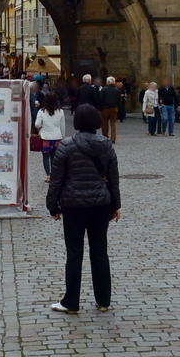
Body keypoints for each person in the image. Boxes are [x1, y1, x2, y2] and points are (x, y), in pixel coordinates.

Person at [46, 103, 120, 314]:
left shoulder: (66, 146)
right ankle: (103, 299)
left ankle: (71, 302)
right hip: (100, 204)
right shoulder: (106, 145)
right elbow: (113, 179)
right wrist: (116, 205)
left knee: (74, 253)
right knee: (99, 252)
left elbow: (56, 180)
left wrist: (52, 206)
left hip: (73, 205)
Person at [35, 91, 66, 181]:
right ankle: (53, 174)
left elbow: (37, 124)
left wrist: (40, 129)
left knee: (45, 157)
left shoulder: (41, 111)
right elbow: (62, 126)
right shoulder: (60, 112)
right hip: (57, 137)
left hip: (45, 137)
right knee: (54, 157)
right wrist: (62, 136)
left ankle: (48, 175)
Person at [99, 76, 122, 141]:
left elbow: (101, 99)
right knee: (113, 123)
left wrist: (100, 108)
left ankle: (105, 136)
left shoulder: (104, 89)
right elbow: (119, 100)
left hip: (105, 108)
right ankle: (113, 138)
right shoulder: (117, 90)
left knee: (104, 122)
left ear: (108, 82)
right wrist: (118, 108)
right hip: (114, 108)